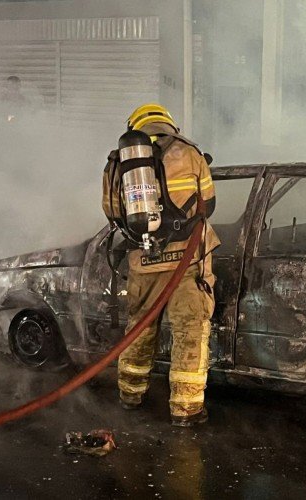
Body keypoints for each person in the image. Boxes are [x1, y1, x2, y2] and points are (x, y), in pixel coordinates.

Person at [102, 103, 218, 427]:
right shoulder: (189, 152)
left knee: (139, 327)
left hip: (143, 259)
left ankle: (130, 396)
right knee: (190, 330)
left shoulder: (118, 161)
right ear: (169, 124)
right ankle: (187, 410)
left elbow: (111, 212)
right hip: (186, 260)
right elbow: (208, 204)